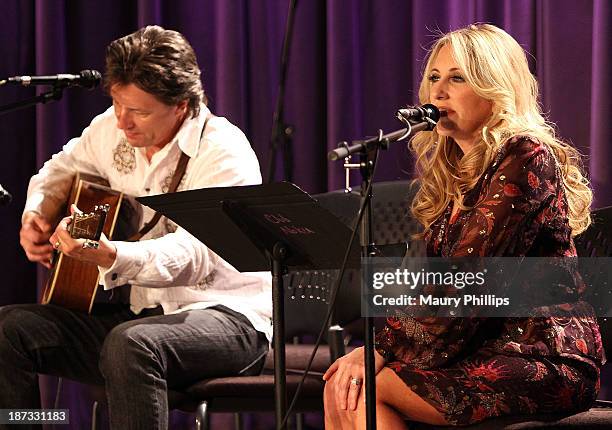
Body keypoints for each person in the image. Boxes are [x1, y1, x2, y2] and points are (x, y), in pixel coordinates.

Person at [323, 23, 604, 428]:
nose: (437, 93)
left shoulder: (525, 156)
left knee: (366, 388)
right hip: (476, 347)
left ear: (495, 87)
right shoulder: (455, 173)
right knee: (341, 385)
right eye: (434, 78)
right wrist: (370, 352)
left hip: (541, 354)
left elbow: (464, 282)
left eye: (457, 78)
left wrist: (378, 351)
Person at [0, 26, 271, 429]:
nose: (123, 122)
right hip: (139, 315)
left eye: (139, 112)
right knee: (9, 330)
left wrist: (114, 256)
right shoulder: (112, 126)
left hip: (228, 319)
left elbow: (197, 256)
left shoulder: (225, 153)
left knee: (131, 345)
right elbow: (59, 169)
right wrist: (36, 216)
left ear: (181, 105)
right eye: (116, 103)